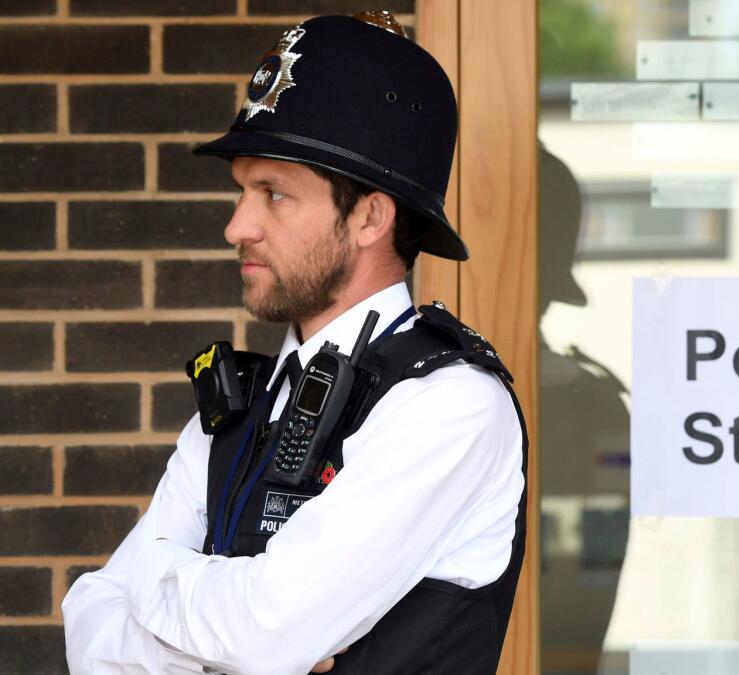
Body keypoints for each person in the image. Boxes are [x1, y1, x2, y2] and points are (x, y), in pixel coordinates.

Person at [62, 12, 527, 675]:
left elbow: (265, 631)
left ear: (370, 215)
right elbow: (90, 629)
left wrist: (157, 579)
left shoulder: (450, 405)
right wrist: (230, 631)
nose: (236, 226)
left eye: (274, 194)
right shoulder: (236, 408)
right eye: (241, 191)